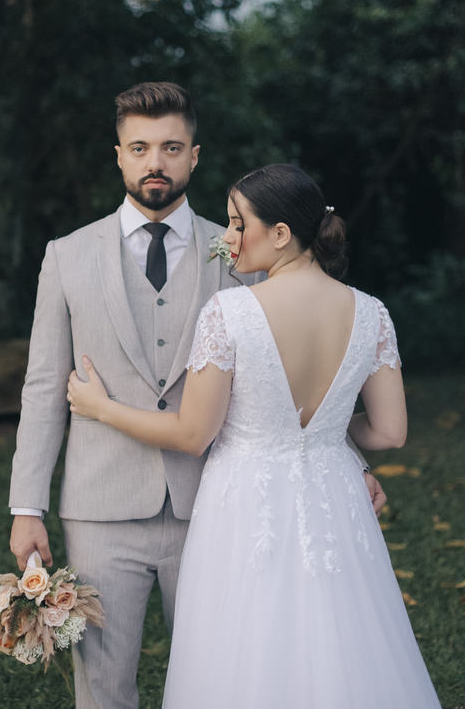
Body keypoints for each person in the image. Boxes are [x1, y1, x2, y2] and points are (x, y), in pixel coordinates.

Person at [8, 84, 387, 709]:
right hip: (100, 507)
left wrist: (352, 462)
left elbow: (289, 376)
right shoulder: (67, 256)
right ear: (119, 156)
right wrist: (28, 506)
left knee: (227, 682)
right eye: (140, 147)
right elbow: (44, 386)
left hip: (217, 506)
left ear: (194, 155)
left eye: (171, 147)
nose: (155, 160)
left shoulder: (249, 249)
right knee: (102, 685)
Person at [66, 163, 441, 708]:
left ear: (282, 234)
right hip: (335, 498)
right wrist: (331, 428)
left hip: (246, 506)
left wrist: (102, 408)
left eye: (239, 225)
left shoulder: (232, 312)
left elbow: (193, 433)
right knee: (338, 643)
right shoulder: (372, 314)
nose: (229, 239)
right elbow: (389, 430)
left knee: (243, 649)